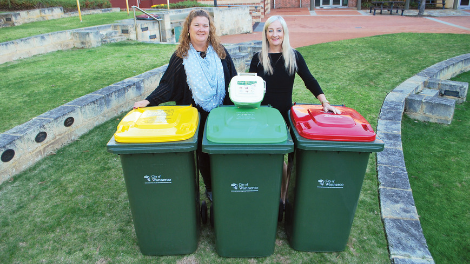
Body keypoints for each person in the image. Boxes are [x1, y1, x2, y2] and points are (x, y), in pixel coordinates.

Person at [133, 9, 237, 201]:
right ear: (188, 29)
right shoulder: (181, 56)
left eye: (205, 25)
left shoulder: (221, 51)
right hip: (194, 115)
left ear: (210, 29)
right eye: (196, 25)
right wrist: (149, 101)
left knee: (222, 151)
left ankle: (225, 182)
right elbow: (167, 85)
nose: (201, 29)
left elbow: (233, 80)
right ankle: (211, 187)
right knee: (203, 154)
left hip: (221, 112)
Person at [249, 15, 341, 204]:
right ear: (266, 33)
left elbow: (309, 80)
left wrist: (324, 101)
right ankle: (268, 188)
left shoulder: (294, 56)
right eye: (270, 30)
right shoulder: (258, 59)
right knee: (271, 154)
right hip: (263, 114)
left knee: (288, 156)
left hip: (284, 114)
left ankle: (283, 195)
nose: (275, 34)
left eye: (279, 30)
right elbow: (249, 87)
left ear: (284, 33)